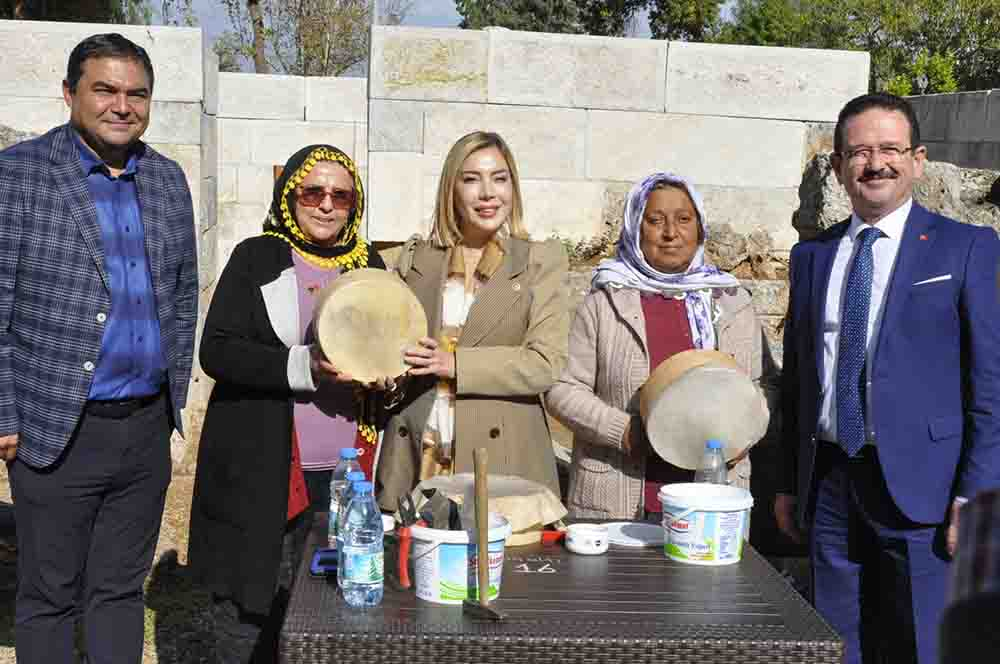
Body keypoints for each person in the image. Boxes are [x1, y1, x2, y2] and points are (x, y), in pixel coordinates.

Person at [775, 92, 1000, 664]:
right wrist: (785, 482)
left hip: (926, 491)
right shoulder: (812, 257)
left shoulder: (967, 248)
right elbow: (799, 382)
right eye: (859, 151)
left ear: (918, 160)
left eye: (891, 149)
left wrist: (975, 496)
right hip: (830, 484)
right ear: (838, 167)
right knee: (835, 643)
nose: (875, 163)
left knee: (926, 644)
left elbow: (991, 386)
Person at [0, 33, 198, 663]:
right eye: (105, 89)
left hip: (143, 429)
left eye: (136, 93)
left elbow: (183, 293)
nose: (122, 105)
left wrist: (174, 398)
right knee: (49, 595)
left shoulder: (167, 180)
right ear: (69, 94)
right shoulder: (20, 175)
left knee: (118, 592)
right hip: (55, 427)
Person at [187, 144, 395, 662]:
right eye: (312, 191)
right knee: (252, 609)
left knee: (333, 609)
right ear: (289, 196)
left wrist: (390, 378)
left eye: (341, 195)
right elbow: (218, 350)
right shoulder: (257, 257)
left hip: (350, 475)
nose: (326, 204)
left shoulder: (369, 264)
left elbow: (389, 349)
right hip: (266, 467)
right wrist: (305, 366)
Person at [546, 172, 778, 520]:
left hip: (711, 498)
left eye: (684, 219)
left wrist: (744, 429)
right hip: (620, 496)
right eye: (655, 220)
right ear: (635, 228)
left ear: (699, 229)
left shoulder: (731, 302)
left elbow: (766, 386)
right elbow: (563, 389)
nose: (671, 232)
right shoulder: (606, 302)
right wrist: (622, 431)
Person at [375, 131, 569, 510]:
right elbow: (391, 351)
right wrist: (385, 371)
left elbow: (546, 364)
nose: (487, 193)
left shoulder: (539, 263)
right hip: (420, 452)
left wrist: (455, 363)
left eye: (500, 178)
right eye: (471, 179)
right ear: (451, 188)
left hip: (502, 458)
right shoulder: (416, 259)